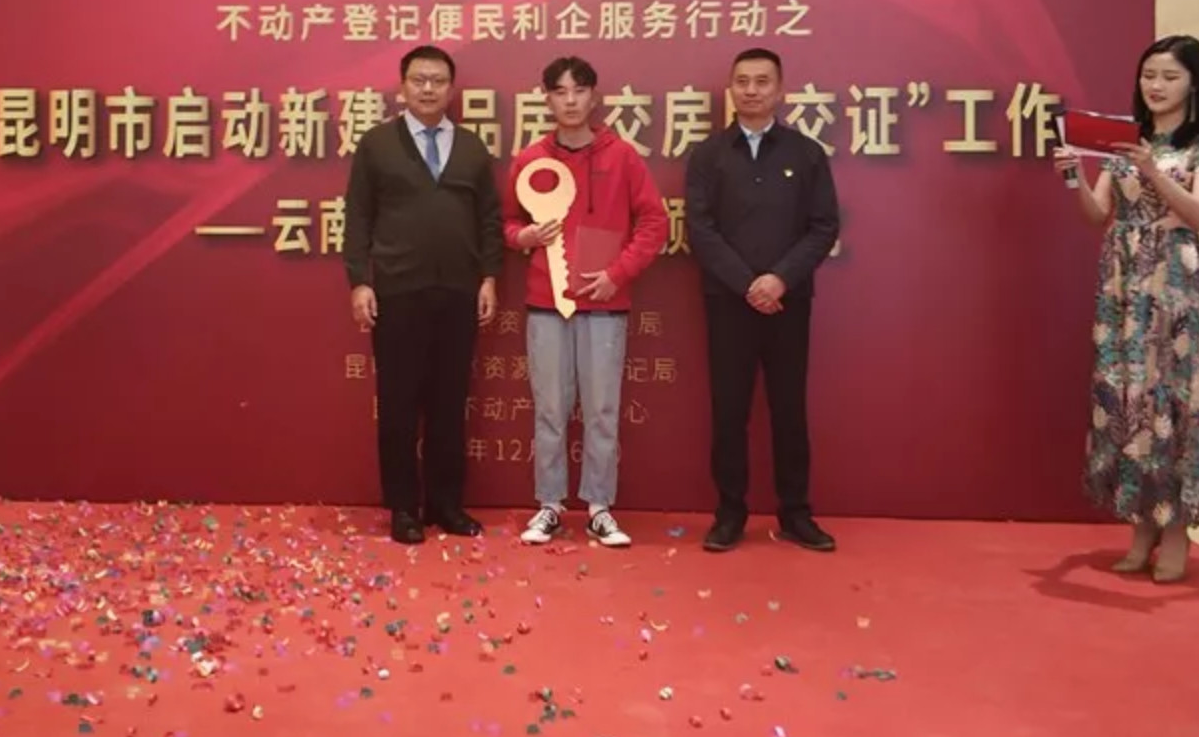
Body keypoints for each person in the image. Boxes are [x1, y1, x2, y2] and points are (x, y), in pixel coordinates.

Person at [1052, 34, 1199, 582]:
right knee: (1131, 398)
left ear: (1194, 83)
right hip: (1124, 283)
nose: (1156, 86)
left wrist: (1154, 170)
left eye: (1169, 76)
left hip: (1177, 281)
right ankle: (1143, 523)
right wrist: (1073, 175)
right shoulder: (1125, 136)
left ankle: (1177, 527)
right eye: (1149, 75)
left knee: (1175, 400)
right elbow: (1098, 216)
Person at [502, 56, 668, 548]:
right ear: (547, 98)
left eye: (579, 91)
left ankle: (599, 507)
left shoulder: (623, 157)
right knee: (550, 409)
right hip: (546, 301)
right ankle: (550, 505)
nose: (570, 100)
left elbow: (654, 222)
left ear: (595, 97)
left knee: (601, 410)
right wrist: (522, 237)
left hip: (604, 304)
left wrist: (618, 273)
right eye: (560, 91)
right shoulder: (530, 159)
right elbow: (506, 222)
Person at [342, 45, 503, 545]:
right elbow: (358, 217)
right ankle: (403, 508)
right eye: (419, 80)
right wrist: (360, 281)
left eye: (437, 81)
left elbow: (489, 219)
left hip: (458, 291)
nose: (428, 88)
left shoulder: (471, 147)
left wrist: (489, 277)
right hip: (397, 291)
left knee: (449, 404)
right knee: (398, 404)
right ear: (402, 87)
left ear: (451, 90)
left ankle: (446, 504)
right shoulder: (377, 145)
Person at [685, 47, 840, 554]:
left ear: (780, 90)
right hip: (728, 302)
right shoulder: (708, 154)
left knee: (789, 409)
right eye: (743, 81)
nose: (751, 90)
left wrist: (779, 280)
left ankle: (796, 513)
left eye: (762, 81)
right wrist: (747, 284)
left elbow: (824, 226)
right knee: (729, 410)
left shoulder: (806, 153)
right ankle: (730, 512)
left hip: (788, 303)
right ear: (731, 88)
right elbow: (701, 229)